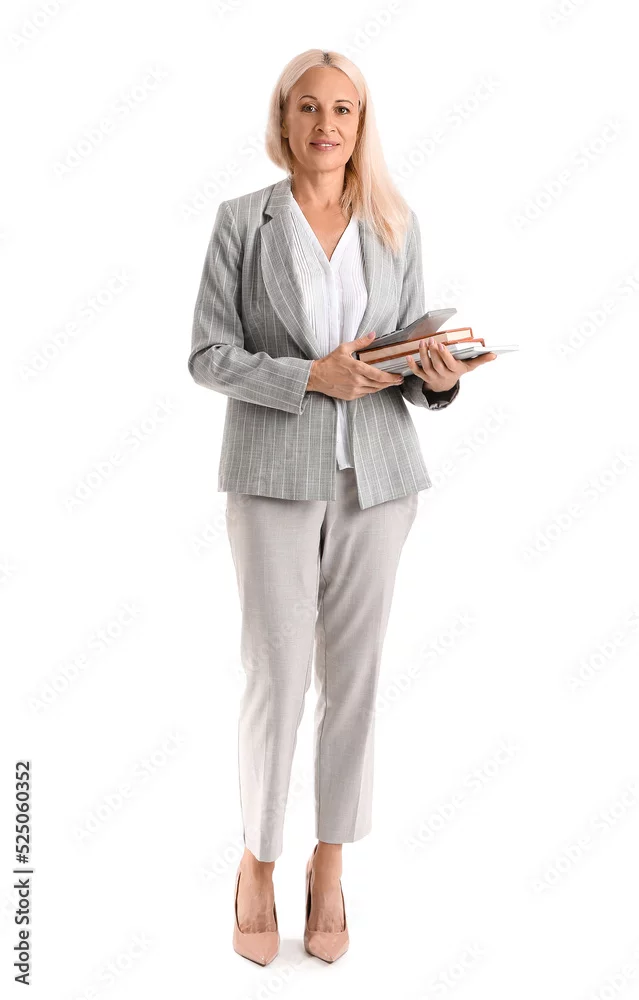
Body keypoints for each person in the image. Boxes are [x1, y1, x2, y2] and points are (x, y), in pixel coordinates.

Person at [188, 48, 496, 966]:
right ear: (282, 119)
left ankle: (329, 865)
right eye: (309, 107)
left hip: (378, 481)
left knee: (353, 680)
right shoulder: (242, 221)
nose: (326, 124)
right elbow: (208, 356)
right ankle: (256, 860)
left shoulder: (394, 222)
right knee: (275, 678)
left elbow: (404, 363)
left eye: (344, 109)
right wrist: (305, 377)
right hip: (272, 476)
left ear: (362, 124)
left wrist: (438, 376)